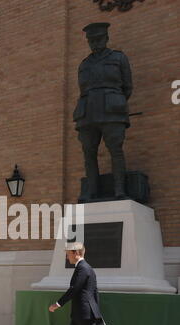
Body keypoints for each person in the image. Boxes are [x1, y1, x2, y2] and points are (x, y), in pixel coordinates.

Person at [74, 22, 133, 199]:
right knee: (89, 152)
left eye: (98, 39)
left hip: (111, 111)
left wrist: (115, 103)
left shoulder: (119, 58)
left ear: (106, 38)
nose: (95, 43)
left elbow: (127, 87)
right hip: (87, 114)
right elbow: (83, 90)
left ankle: (119, 190)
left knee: (115, 150)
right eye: (91, 40)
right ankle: (92, 191)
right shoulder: (84, 64)